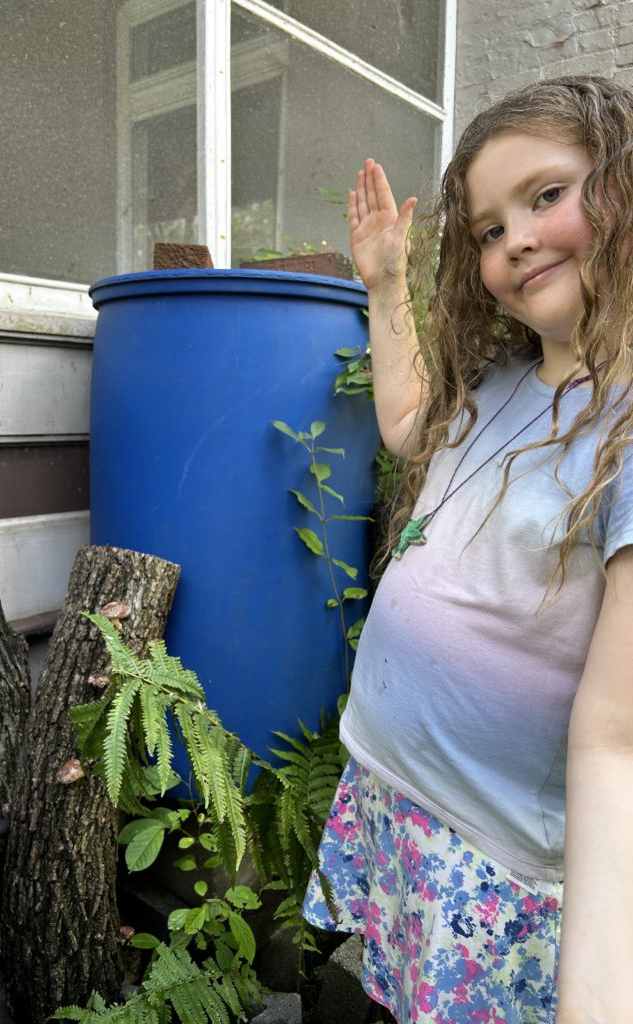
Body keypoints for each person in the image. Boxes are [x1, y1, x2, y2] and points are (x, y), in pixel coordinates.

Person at [303, 75, 633, 1024]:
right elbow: (408, 425)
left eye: (546, 195)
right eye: (488, 229)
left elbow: (616, 741)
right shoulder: (502, 384)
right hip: (395, 793)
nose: (515, 239)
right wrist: (386, 283)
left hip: (488, 856)